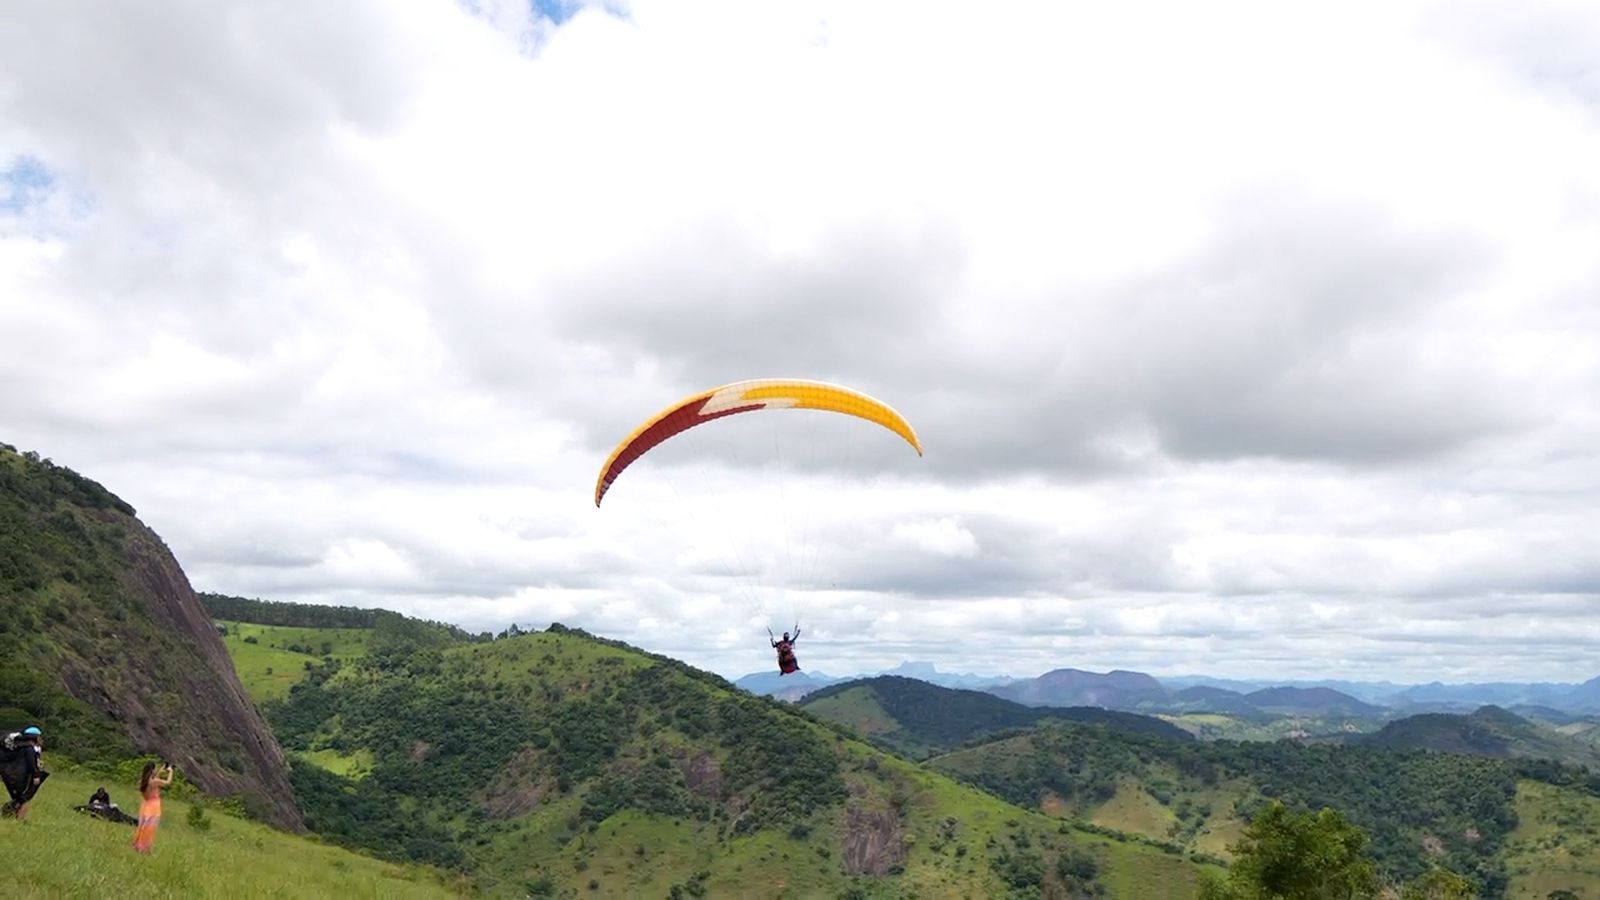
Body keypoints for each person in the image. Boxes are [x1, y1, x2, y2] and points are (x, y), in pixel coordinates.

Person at [1, 726, 47, 819]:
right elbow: (31, 763)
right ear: (35, 737)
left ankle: (10, 815)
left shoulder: (19, 746)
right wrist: (36, 775)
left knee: (19, 798)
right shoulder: (29, 748)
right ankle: (20, 818)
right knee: (25, 798)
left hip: (12, 776)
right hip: (23, 776)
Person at [132, 762, 174, 853]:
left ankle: (138, 845)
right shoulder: (154, 782)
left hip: (146, 805)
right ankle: (144, 848)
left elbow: (153, 782)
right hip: (154, 806)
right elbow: (167, 783)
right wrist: (171, 772)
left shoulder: (142, 782)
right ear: (152, 771)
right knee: (150, 828)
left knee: (143, 826)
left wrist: (160, 772)